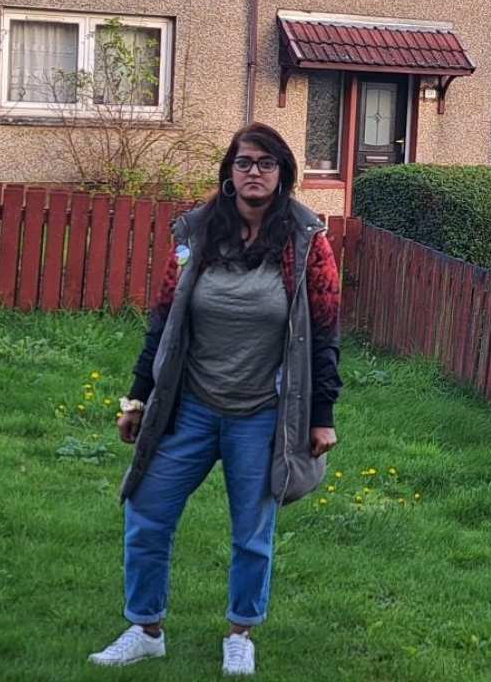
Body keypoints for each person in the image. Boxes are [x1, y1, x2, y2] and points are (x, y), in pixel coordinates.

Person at [88, 123, 342, 676]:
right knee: (147, 511)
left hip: (262, 416)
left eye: (267, 163)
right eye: (246, 161)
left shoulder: (306, 244)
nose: (255, 172)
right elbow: (164, 322)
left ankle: (240, 634)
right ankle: (145, 628)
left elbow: (324, 333)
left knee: (252, 532)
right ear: (229, 171)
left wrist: (321, 416)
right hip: (191, 408)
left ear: (283, 175)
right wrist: (137, 397)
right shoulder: (197, 236)